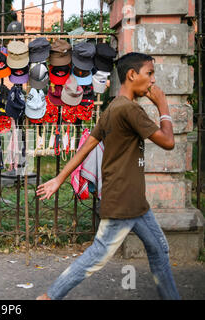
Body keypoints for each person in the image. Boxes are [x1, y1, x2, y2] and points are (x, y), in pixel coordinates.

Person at [35, 52, 180, 300]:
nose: (153, 81)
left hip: (135, 201)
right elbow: (168, 141)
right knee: (98, 255)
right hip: (123, 201)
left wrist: (60, 178)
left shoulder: (114, 107)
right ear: (132, 75)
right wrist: (163, 106)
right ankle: (49, 298)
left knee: (159, 249)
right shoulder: (129, 110)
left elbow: (85, 148)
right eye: (150, 73)